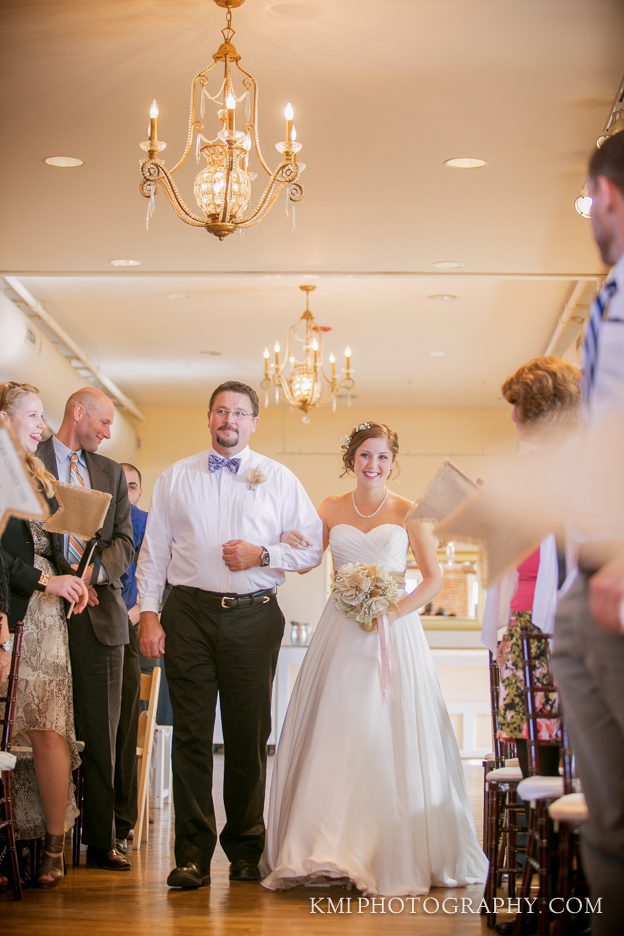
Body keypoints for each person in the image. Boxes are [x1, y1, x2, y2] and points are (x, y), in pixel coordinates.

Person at [261, 421, 487, 896]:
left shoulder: (411, 513)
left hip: (391, 634)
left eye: (382, 457)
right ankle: (322, 848)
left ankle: (382, 848)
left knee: (383, 733)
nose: (373, 465)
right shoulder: (328, 507)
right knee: (336, 731)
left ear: (393, 461)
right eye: (365, 455)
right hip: (338, 633)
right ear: (352, 458)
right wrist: (278, 544)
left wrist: (389, 611)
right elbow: (306, 561)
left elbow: (432, 580)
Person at [137, 380, 323, 890]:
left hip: (254, 614)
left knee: (248, 734)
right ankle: (192, 855)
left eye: (240, 413)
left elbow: (312, 550)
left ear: (254, 422)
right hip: (189, 614)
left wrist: (264, 555)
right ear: (209, 417)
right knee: (192, 735)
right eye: (222, 411)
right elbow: (152, 555)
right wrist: (150, 616)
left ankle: (245, 849)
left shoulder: (280, 479)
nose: (230, 420)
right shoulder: (176, 478)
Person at [551, 130, 624, 936]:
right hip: (591, 573)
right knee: (610, 824)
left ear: (606, 194)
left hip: (615, 571)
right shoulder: (610, 294)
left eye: (590, 198)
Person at [37, 386, 135, 871]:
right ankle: (40, 837)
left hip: (99, 615)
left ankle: (101, 839)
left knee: (103, 735)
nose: (107, 431)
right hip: (41, 614)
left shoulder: (111, 472)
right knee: (43, 732)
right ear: (79, 412)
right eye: (104, 421)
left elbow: (123, 544)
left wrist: (91, 575)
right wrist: (58, 582)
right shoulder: (28, 459)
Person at [0, 381, 89, 888]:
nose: (42, 426)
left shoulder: (40, 477)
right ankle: (12, 843)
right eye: (33, 416)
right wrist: (43, 579)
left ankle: (53, 846)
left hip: (49, 619)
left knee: (51, 729)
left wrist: (75, 578)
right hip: (12, 608)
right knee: (10, 725)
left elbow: (53, 551)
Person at [481, 357, 581, 779]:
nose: (512, 415)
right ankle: (534, 832)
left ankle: (563, 831)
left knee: (564, 730)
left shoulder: (581, 465)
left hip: (568, 617)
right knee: (521, 725)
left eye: (518, 404)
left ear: (542, 406)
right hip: (523, 619)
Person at [112, 462, 145, 854]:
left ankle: (123, 820)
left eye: (133, 485)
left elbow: (161, 575)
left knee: (124, 726)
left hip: (133, 627)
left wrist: (135, 615)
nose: (126, 491)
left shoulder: (147, 523)